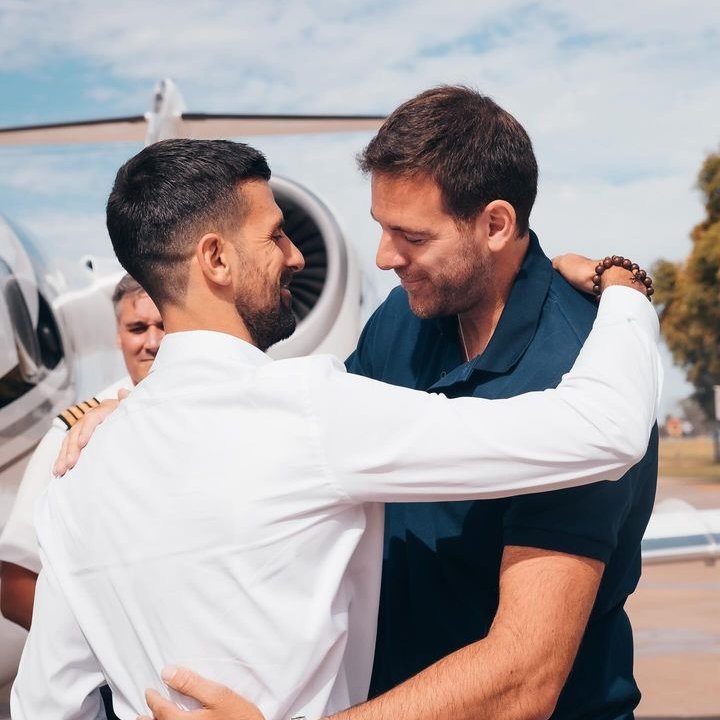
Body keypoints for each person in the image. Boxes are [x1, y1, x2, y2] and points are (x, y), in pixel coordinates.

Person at [11, 139, 658, 720]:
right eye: (274, 236)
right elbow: (608, 429)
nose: (295, 255)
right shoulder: (314, 413)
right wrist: (626, 289)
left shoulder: (76, 479)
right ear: (216, 259)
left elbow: (46, 704)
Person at [0, 273, 164, 630]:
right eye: (137, 328)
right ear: (117, 337)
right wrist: (113, 657)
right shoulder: (74, 431)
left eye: (164, 326)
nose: (152, 342)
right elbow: (15, 585)